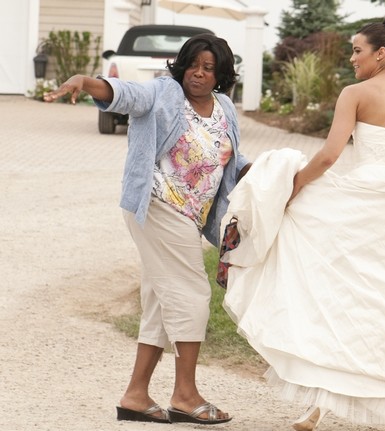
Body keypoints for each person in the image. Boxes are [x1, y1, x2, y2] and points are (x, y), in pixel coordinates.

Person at [221, 14, 385, 431]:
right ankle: (381, 408)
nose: (351, 58)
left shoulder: (356, 94)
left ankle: (322, 402)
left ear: (381, 53)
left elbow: (329, 156)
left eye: (357, 50)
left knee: (340, 300)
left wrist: (293, 189)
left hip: (363, 203)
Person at [44, 33, 250, 425]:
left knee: (160, 299)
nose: (199, 74)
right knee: (192, 292)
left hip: (189, 215)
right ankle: (185, 395)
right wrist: (86, 82)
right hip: (158, 204)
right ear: (182, 65)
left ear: (221, 74)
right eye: (193, 64)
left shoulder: (224, 107)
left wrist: (272, 175)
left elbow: (230, 158)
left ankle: (136, 395)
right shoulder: (163, 94)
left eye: (209, 68)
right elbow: (125, 93)